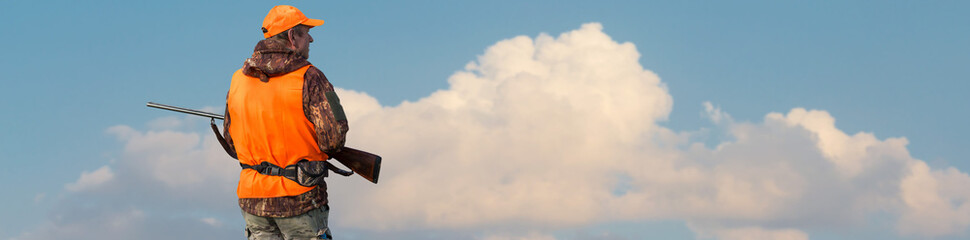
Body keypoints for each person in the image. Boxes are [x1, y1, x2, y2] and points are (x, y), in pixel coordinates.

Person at [222, 5, 348, 240]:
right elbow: (333, 140)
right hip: (300, 200)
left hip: (253, 201)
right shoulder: (310, 76)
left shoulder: (237, 79)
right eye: (306, 33)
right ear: (292, 36)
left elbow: (231, 143)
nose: (311, 39)